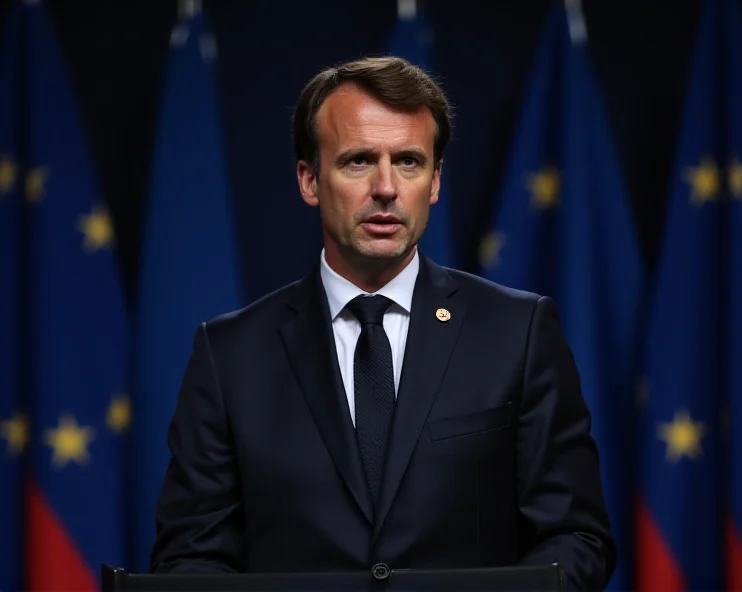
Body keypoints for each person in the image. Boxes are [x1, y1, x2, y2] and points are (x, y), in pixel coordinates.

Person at [149, 56, 616, 590]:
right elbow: (190, 560)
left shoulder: (519, 331)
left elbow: (577, 539)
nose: (387, 187)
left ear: (436, 181)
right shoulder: (229, 354)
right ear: (309, 179)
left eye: (410, 162)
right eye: (358, 161)